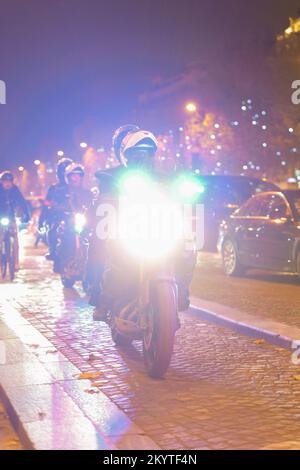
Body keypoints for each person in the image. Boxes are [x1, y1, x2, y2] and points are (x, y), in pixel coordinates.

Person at [87, 125, 196, 321]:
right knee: (102, 246)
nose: (142, 158)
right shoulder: (110, 176)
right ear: (126, 155)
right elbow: (103, 201)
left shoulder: (164, 177)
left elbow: (181, 196)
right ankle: (101, 298)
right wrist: (104, 202)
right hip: (128, 228)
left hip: (160, 229)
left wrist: (186, 191)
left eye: (147, 153)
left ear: (152, 155)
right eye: (137, 154)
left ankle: (181, 294)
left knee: (187, 248)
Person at [40, 158, 73, 260]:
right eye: (63, 171)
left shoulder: (76, 187)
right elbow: (46, 203)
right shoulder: (54, 188)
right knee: (53, 230)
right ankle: (53, 250)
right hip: (57, 215)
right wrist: (42, 219)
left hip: (74, 216)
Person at [0, 171, 30, 270]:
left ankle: (16, 262)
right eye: (5, 181)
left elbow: (23, 202)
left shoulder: (15, 190)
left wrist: (27, 215)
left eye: (9, 181)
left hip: (11, 217)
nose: (7, 183)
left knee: (15, 238)